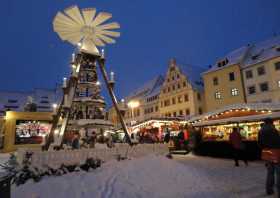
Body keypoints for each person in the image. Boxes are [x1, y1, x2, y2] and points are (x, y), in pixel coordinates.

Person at [258, 118, 280, 196]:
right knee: (278, 173)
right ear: (271, 123)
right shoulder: (274, 130)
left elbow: (259, 144)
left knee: (270, 172)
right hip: (275, 153)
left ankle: (269, 190)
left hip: (266, 153)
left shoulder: (261, 131)